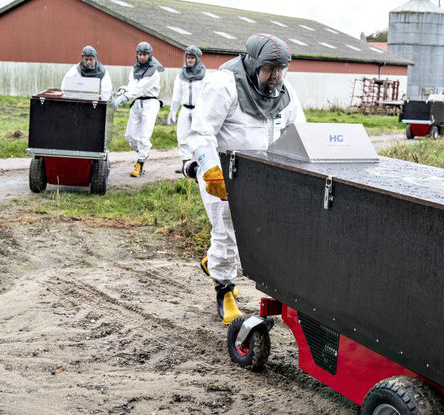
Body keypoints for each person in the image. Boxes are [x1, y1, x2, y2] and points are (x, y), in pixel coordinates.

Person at [184, 34, 306, 324]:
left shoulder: (285, 94)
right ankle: (224, 290)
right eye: (269, 68)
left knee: (255, 234)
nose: (275, 76)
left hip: (262, 175)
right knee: (226, 228)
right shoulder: (224, 84)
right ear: (253, 63)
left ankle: (214, 262)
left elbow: (299, 133)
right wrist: (210, 169)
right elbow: (201, 132)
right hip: (224, 171)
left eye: (280, 69)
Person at [111, 42, 164, 177]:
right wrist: (123, 90)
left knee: (144, 136)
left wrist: (123, 99)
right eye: (140, 54)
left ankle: (140, 163)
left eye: (145, 55)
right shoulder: (134, 69)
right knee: (130, 136)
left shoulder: (154, 72)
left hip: (150, 103)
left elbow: (140, 88)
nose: (142, 57)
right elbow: (132, 86)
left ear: (149, 55)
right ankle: (143, 153)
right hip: (136, 103)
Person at [168, 46, 207, 174]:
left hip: (198, 110)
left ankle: (200, 164)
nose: (189, 60)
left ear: (197, 58)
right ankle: (186, 166)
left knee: (199, 137)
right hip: (185, 109)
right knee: (182, 136)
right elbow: (176, 94)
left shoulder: (204, 74)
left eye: (192, 58)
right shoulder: (181, 75)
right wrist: (173, 110)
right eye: (188, 57)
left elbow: (208, 94)